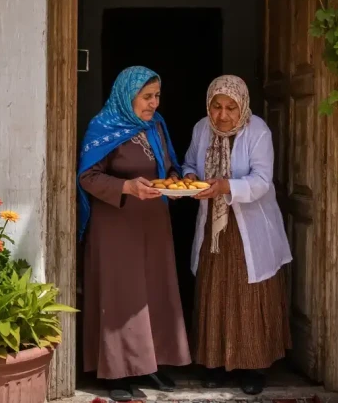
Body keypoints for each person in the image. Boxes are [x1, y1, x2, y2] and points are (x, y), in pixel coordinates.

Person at [78, 66, 191, 402]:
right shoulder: (103, 126)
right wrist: (126, 186)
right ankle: (115, 373)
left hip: (154, 222)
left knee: (155, 292)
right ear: (128, 96)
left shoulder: (156, 126)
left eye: (157, 96)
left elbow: (168, 164)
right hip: (116, 225)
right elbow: (87, 177)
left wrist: (173, 178)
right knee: (119, 297)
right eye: (147, 96)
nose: (154, 103)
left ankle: (149, 364)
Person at [182, 75, 292, 395]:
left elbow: (261, 181)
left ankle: (253, 367)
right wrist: (190, 176)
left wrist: (225, 186)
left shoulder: (256, 131)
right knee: (214, 290)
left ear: (242, 106)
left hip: (248, 227)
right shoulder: (202, 129)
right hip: (214, 229)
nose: (223, 115)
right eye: (216, 106)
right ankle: (214, 363)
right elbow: (190, 161)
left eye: (231, 107)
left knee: (248, 292)